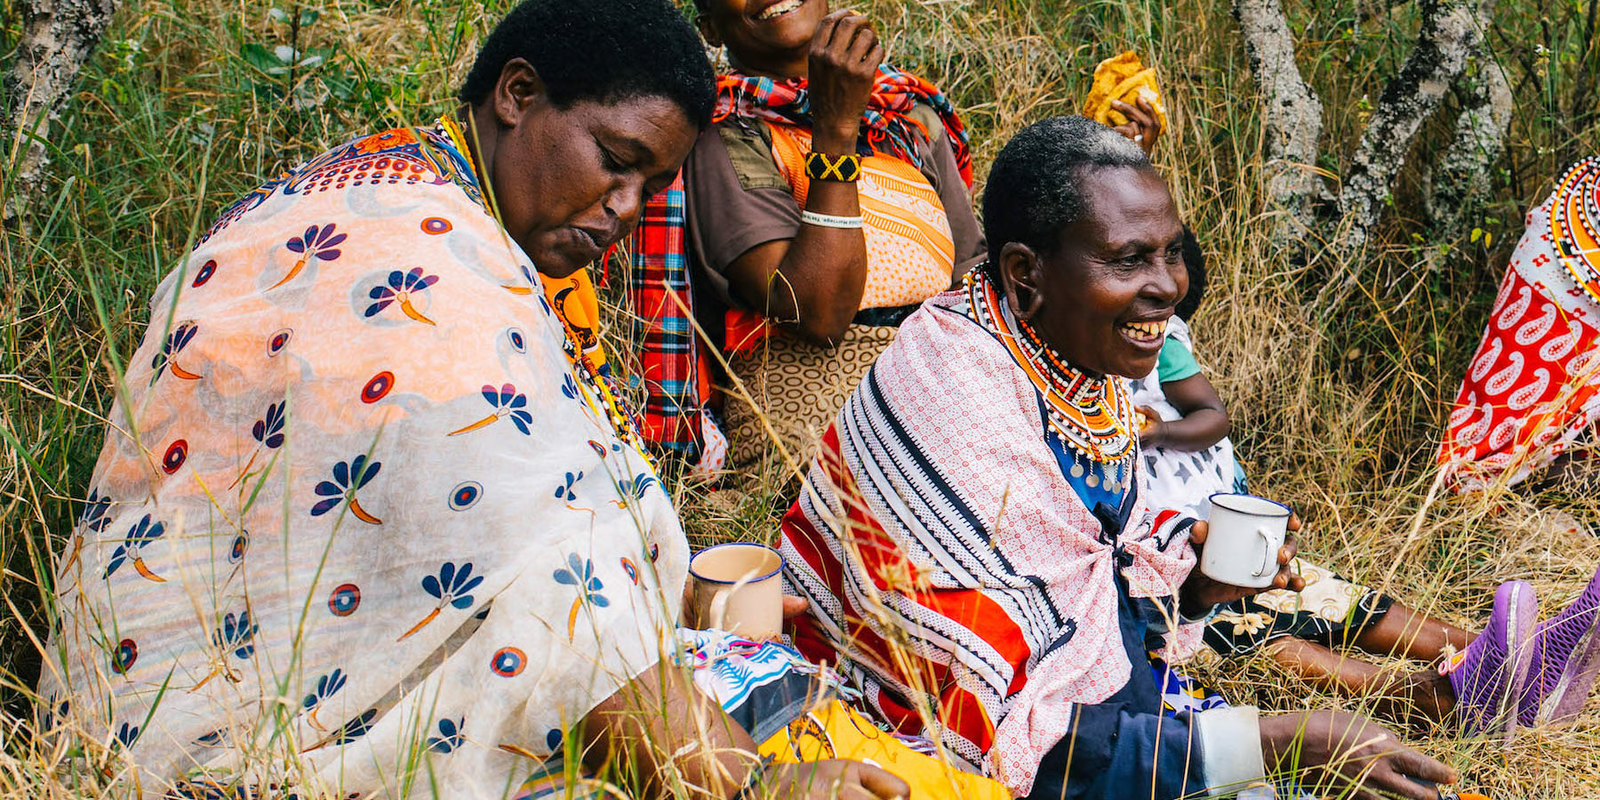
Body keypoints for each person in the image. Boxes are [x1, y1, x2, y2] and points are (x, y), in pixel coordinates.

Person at [38, 3, 991, 798]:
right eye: (615, 158)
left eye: (651, 184)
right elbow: (551, 585)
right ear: (518, 94)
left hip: (141, 702)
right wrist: (744, 781)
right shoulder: (421, 265)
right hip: (227, 749)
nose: (625, 205)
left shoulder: (379, 188)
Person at [780, 115, 1468, 800]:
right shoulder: (953, 390)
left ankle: (1468, 678)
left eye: (1170, 252)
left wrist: (1196, 591)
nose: (1170, 285)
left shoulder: (1070, 360)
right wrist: (1278, 744)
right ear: (1025, 272)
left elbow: (1089, 591)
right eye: (1129, 258)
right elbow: (1002, 736)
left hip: (1112, 721)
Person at [626, 0, 1165, 484]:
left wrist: (1102, 172)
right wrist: (834, 130)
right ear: (709, 27)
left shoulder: (906, 118)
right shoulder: (726, 134)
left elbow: (978, 277)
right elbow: (816, 311)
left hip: (947, 380)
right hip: (810, 417)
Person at [1131, 229, 1600, 732]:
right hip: (1153, 586)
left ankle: (1524, 657)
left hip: (1198, 537)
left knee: (1320, 592)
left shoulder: (1160, 347)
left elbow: (1208, 414)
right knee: (1259, 638)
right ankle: (1448, 701)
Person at [1440, 156, 1600, 491]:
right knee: (1507, 402)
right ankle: (1488, 482)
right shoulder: (1554, 237)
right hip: (1566, 249)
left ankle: (1566, 485)